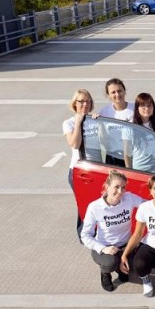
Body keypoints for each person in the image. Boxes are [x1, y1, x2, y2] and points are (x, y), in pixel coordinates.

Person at [80, 170, 144, 292]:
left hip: (125, 245)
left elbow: (148, 206)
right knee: (110, 263)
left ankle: (121, 266)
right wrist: (104, 249)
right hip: (105, 247)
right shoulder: (95, 207)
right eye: (116, 187)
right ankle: (105, 273)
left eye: (123, 187)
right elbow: (85, 236)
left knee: (138, 264)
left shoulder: (129, 198)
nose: (120, 192)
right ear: (107, 187)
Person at [63, 89, 100, 241]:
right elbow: (75, 144)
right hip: (80, 171)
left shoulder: (95, 120)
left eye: (87, 101)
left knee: (98, 203)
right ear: (74, 103)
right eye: (81, 101)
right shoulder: (69, 123)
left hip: (96, 170)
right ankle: (83, 234)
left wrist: (99, 122)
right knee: (84, 203)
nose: (84, 104)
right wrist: (79, 122)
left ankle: (97, 232)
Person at [123, 93, 155, 173]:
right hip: (141, 170)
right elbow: (127, 154)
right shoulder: (129, 126)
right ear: (137, 108)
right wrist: (129, 172)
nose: (146, 108)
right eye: (143, 106)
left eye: (149, 105)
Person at [98, 78, 135, 167]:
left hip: (134, 157)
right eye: (113, 92)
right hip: (113, 158)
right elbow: (102, 138)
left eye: (120, 91)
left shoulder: (135, 109)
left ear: (125, 91)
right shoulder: (104, 112)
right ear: (108, 95)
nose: (117, 94)